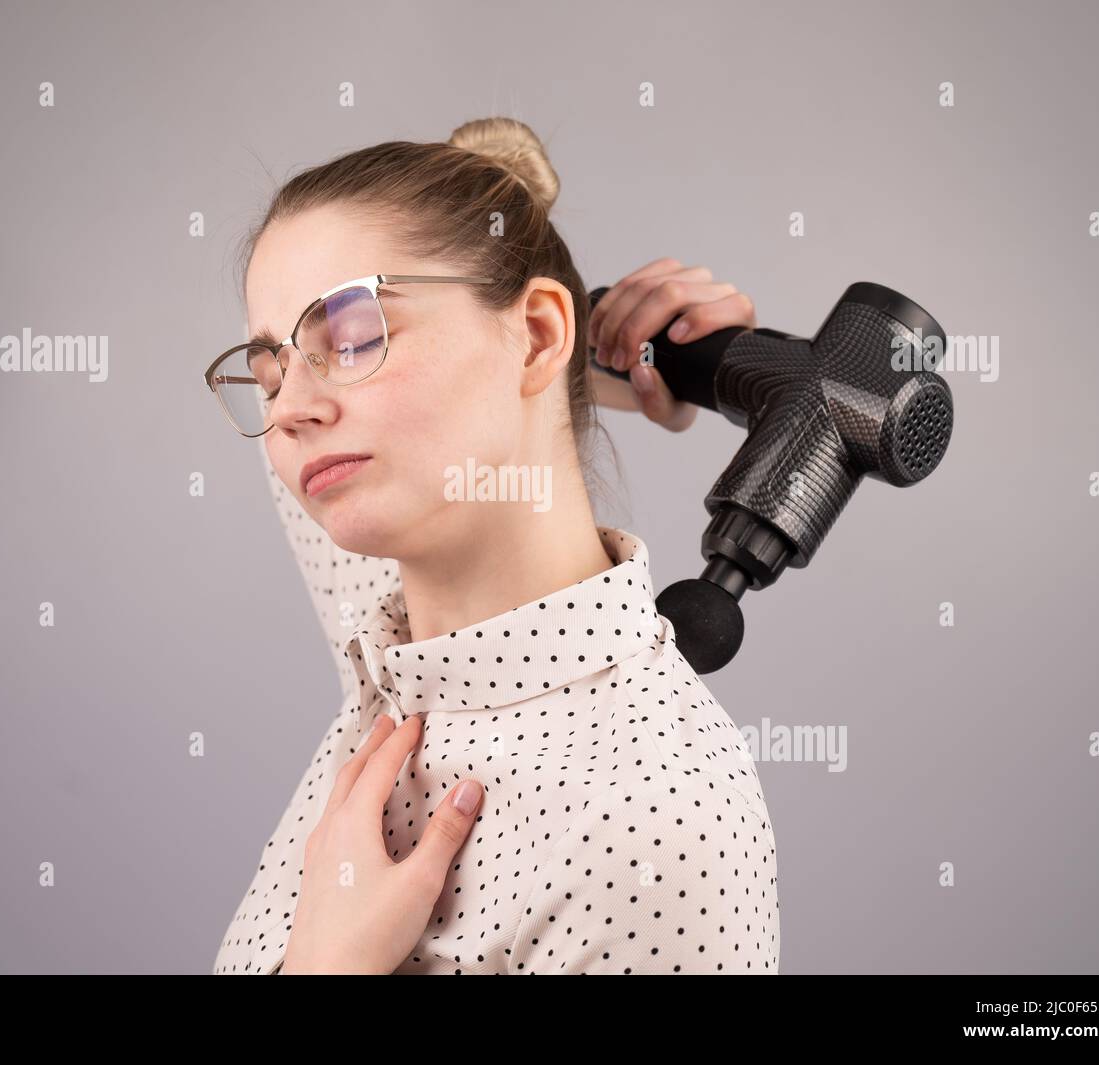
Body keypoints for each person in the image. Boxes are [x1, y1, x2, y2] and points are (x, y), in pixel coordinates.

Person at [206, 116, 779, 974]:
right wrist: (589, 349)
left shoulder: (660, 822)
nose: (287, 410)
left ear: (540, 335)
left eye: (355, 337)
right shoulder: (390, 610)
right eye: (268, 372)